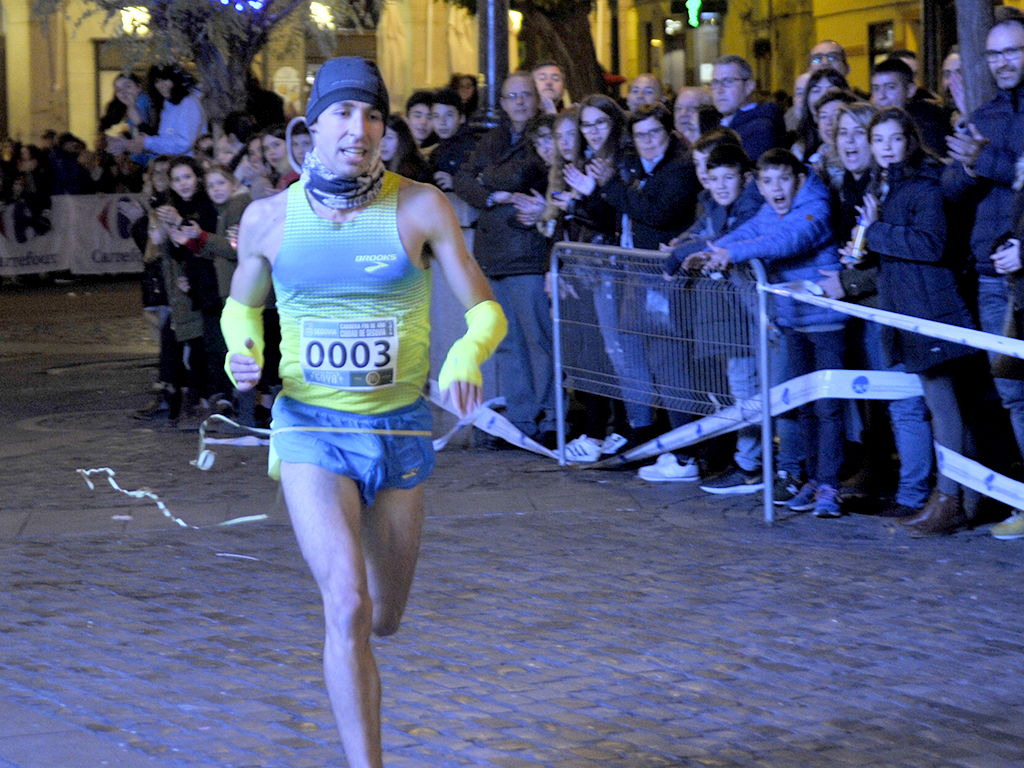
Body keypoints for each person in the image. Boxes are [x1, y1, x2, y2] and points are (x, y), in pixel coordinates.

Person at [222, 57, 506, 768]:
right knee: (345, 604)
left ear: (386, 130)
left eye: (373, 115)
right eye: (344, 114)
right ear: (311, 126)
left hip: (401, 430)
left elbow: (486, 312)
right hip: (311, 428)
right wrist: (243, 352)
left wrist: (467, 356)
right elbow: (239, 310)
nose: (359, 128)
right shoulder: (268, 219)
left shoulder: (419, 207)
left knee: (383, 616)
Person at [701, 149, 848, 517]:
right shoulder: (773, 208)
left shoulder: (815, 206)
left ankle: (829, 485)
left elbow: (786, 241)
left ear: (798, 179)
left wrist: (731, 254)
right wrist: (716, 249)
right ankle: (813, 480)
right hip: (793, 320)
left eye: (783, 179)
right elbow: (753, 231)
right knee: (804, 405)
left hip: (825, 320)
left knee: (828, 408)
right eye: (767, 181)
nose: (776, 188)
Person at [860, 107, 984, 535]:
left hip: (930, 308)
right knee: (949, 408)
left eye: (895, 140)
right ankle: (966, 501)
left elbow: (931, 244)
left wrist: (873, 232)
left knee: (946, 408)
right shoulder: (889, 184)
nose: (887, 149)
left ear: (909, 140)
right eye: (880, 141)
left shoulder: (923, 182)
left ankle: (951, 501)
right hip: (909, 307)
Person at [944, 16, 1024, 539]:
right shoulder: (984, 113)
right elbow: (952, 187)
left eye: (1012, 51)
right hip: (990, 272)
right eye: (994, 55)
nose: (1003, 62)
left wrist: (986, 160)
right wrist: (968, 168)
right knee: (1009, 394)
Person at [453, 71, 557, 445]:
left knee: (539, 341)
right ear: (501, 103)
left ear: (536, 98)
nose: (519, 103)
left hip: (528, 254)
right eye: (512, 97)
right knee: (508, 342)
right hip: (493, 255)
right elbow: (463, 179)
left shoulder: (544, 136)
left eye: (526, 95)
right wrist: (490, 195)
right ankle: (522, 420)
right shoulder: (493, 138)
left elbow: (516, 173)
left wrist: (488, 180)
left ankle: (550, 419)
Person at [710, 55, 786, 162]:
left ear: (749, 86)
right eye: (715, 82)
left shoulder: (761, 130)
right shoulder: (719, 124)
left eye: (728, 81)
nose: (719, 90)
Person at [870, 58, 949, 155]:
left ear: (910, 90)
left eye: (890, 87)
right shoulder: (872, 125)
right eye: (876, 89)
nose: (881, 96)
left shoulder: (926, 129)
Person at [428, 87, 476, 191]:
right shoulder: (435, 152)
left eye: (449, 115)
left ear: (462, 118)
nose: (442, 122)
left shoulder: (473, 149)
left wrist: (456, 183)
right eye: (436, 116)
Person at [381, 113, 431, 182]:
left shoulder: (414, 170)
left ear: (401, 139)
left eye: (389, 138)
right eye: (378, 138)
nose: (382, 144)